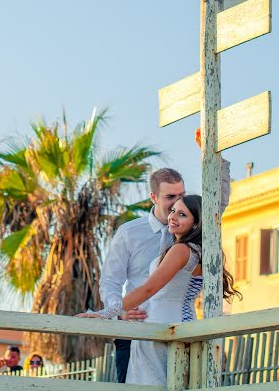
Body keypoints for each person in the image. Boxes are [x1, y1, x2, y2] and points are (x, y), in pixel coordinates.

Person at [98, 130, 231, 383]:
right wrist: (118, 312)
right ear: (153, 197)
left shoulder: (188, 230)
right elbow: (111, 281)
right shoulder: (129, 233)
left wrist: (215, 155)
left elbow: (217, 203)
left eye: (180, 196)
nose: (175, 204)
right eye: (170, 197)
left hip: (176, 330)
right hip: (134, 331)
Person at [79, 195, 241, 387]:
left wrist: (106, 313)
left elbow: (149, 288)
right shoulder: (195, 251)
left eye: (182, 215)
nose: (173, 217)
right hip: (170, 328)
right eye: (173, 211)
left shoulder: (181, 250)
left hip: (164, 331)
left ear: (196, 224)